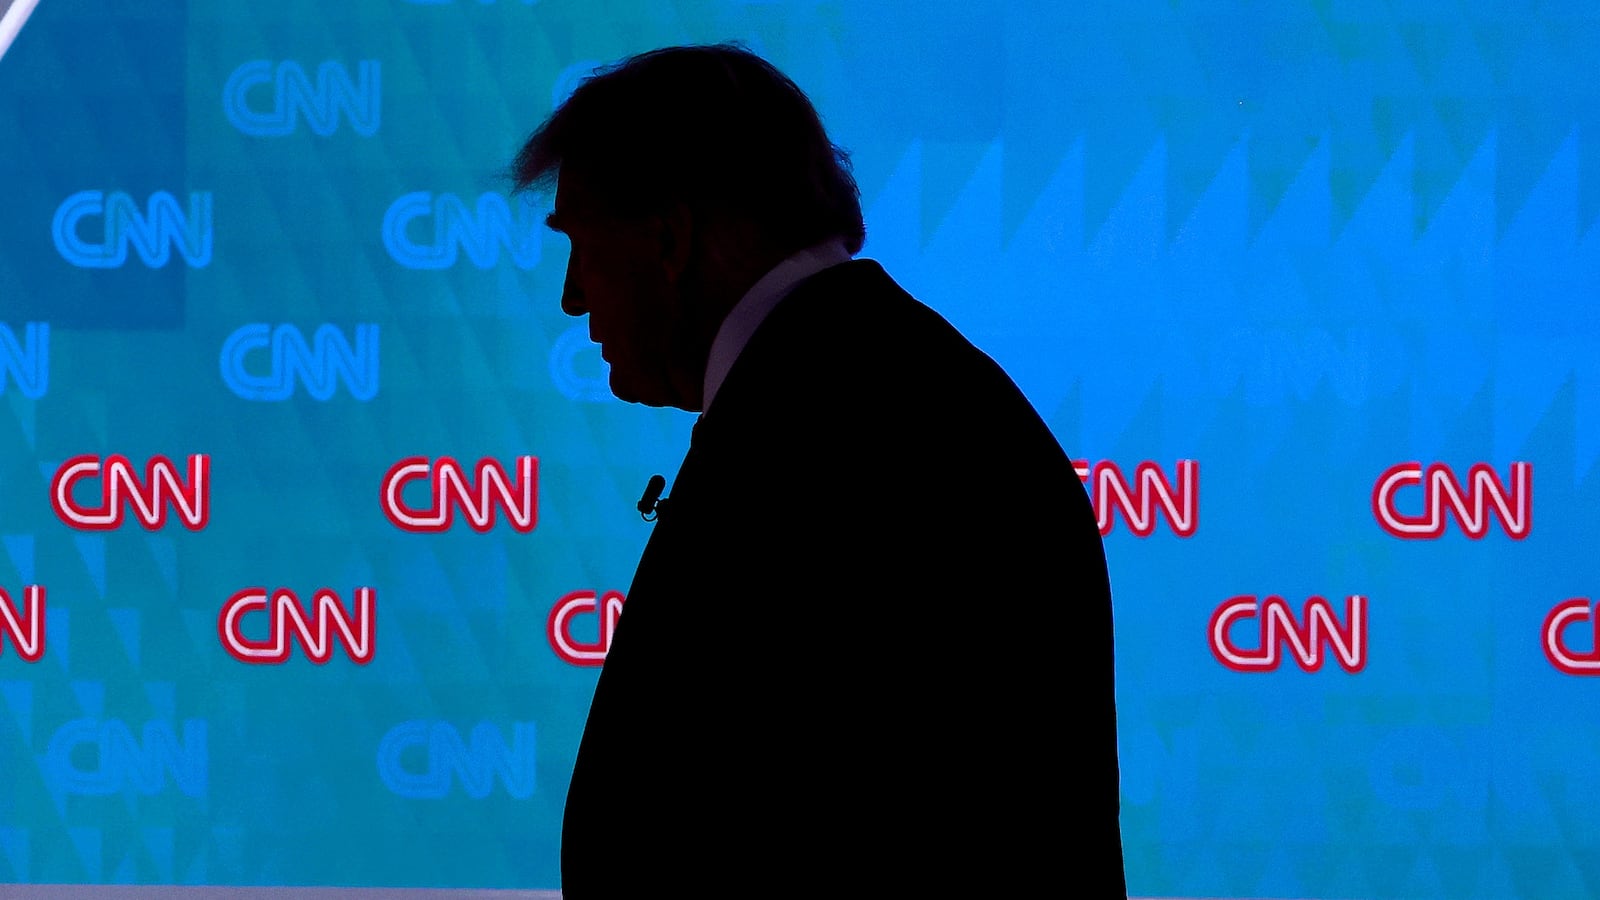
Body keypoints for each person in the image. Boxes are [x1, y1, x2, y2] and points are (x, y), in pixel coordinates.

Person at [509, 42, 1125, 897]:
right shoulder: (868, 385)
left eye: (581, 245)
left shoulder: (830, 429)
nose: (574, 296)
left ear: (669, 239)